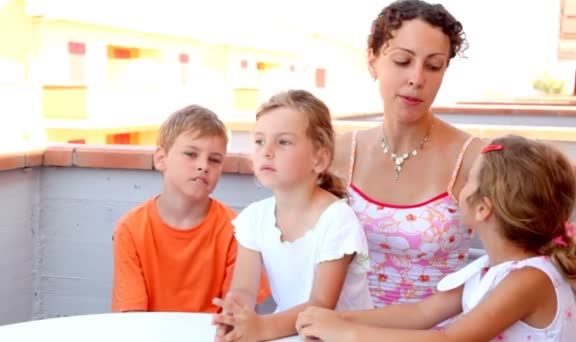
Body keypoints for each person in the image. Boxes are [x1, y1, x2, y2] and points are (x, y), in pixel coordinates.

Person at [297, 135, 576, 341]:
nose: (461, 188)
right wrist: (337, 318)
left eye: (469, 181)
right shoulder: (488, 271)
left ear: (482, 208)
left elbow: (450, 340)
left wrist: (347, 333)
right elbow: (421, 313)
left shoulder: (529, 280)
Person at [331, 0, 486, 308]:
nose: (417, 79)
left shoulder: (474, 158)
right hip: (343, 328)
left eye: (433, 65)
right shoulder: (336, 153)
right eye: (402, 61)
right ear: (373, 60)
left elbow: (521, 261)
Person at [212, 90, 373, 341]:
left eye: (283, 142)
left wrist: (262, 328)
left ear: (319, 159)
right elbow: (244, 289)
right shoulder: (254, 218)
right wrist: (235, 314)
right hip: (290, 333)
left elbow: (321, 305)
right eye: (259, 141)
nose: (267, 151)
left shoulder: (337, 220)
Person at [111, 104, 269, 312]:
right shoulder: (131, 229)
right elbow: (132, 315)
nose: (204, 166)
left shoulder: (238, 232)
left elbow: (236, 316)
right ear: (161, 159)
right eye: (191, 154)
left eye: (214, 159)